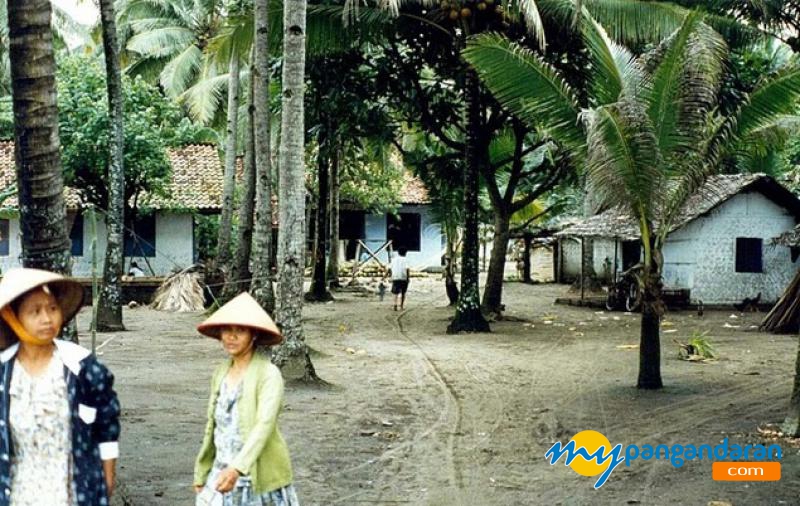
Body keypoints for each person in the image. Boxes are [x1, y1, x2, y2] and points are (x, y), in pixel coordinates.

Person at [0, 268, 121, 506]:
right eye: (35, 311)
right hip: (18, 491)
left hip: (73, 489)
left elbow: (107, 425)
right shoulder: (3, 372)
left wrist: (107, 477)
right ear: (13, 318)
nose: (47, 319)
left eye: (52, 308)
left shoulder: (82, 367)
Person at [194, 292, 298, 506]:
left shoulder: (268, 374)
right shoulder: (220, 373)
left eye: (240, 331)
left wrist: (237, 468)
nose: (231, 337)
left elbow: (264, 425)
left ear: (254, 336)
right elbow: (213, 427)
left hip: (255, 476)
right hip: (221, 474)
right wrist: (202, 471)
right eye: (227, 330)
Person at [389, 247, 410, 311]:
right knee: (403, 293)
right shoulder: (405, 260)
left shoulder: (393, 259)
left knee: (395, 292)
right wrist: (408, 278)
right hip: (403, 278)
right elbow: (407, 269)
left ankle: (395, 305)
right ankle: (401, 306)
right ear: (405, 253)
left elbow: (389, 268)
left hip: (395, 277)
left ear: (398, 253)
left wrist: (385, 276)